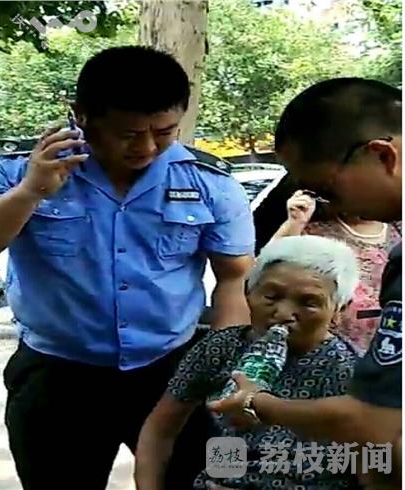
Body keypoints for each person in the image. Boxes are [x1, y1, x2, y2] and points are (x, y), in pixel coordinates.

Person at [0, 46, 255, 490]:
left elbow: (233, 280)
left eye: (164, 132)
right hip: (57, 376)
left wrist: (223, 370)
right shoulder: (15, 168)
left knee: (208, 481)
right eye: (128, 134)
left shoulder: (208, 180)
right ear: (81, 115)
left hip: (173, 369)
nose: (147, 147)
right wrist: (31, 192)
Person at [209, 78, 402, 488]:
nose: (284, 312)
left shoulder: (340, 364)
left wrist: (256, 403)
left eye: (324, 189)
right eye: (271, 294)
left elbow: (378, 429)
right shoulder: (226, 352)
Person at [136, 235, 361, 490]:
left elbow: (375, 464)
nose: (283, 314)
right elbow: (160, 428)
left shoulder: (349, 371)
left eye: (309, 303)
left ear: (340, 310)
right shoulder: (221, 348)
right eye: (271, 296)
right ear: (248, 291)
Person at [270, 190, 401, 352]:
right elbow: (266, 272)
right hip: (333, 350)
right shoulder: (311, 232)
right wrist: (294, 223)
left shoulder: (398, 227)